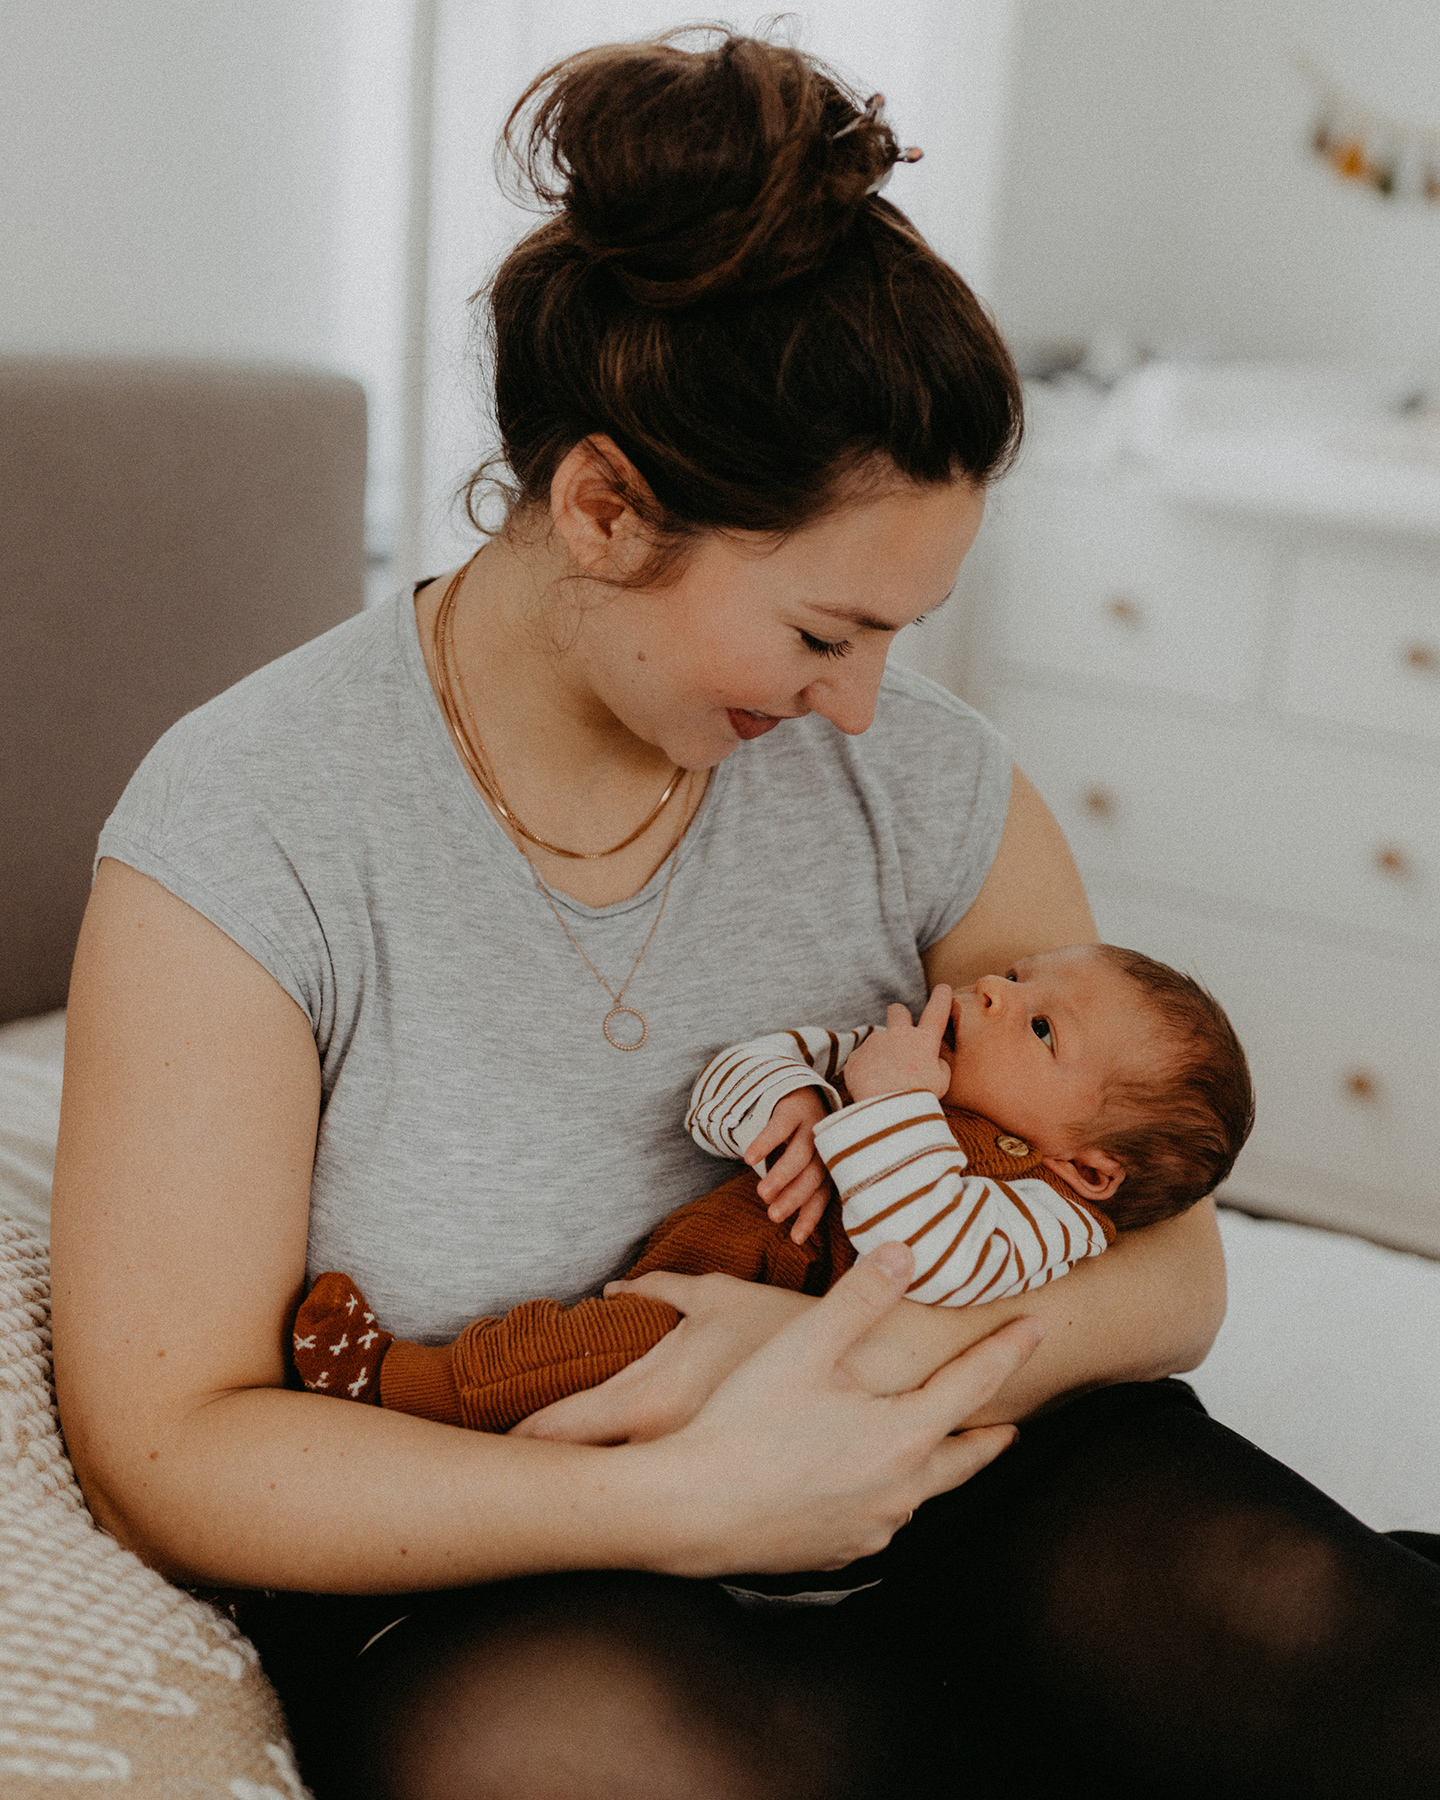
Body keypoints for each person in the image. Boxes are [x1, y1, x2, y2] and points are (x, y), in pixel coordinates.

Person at [47, 28, 1440, 1800]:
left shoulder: (925, 783)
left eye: (899, 637)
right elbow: (165, 1445)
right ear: (609, 507)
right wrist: (674, 1493)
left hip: (957, 1466)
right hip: (519, 1559)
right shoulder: (251, 825)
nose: (863, 713)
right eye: (820, 636)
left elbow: (1166, 1260)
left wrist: (835, 1358)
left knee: (1323, 1648)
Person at [290, 944, 1254, 1433]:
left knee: (585, 1353)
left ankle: (400, 1383)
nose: (995, 993)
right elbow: (726, 1083)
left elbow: (929, 1256)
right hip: (697, 1264)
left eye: (1043, 1029)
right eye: (1014, 976)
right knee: (587, 1335)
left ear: (1089, 1167)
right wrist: (781, 1097)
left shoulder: (1051, 1220)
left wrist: (885, 1106)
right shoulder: (901, 1058)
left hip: (739, 1346)